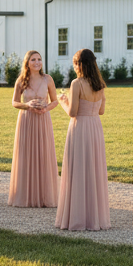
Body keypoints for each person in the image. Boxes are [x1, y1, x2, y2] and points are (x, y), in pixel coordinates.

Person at [55, 49, 110, 231]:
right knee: (93, 169)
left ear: (79, 64)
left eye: (74, 63)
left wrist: (63, 100)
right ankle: (94, 217)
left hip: (80, 128)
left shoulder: (77, 83)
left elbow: (73, 112)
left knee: (78, 169)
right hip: (95, 127)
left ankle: (78, 218)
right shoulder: (100, 84)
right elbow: (101, 111)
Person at [8, 50, 58, 208]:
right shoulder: (21, 80)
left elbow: (55, 101)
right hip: (27, 120)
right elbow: (14, 102)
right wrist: (27, 106)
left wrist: (46, 108)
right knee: (27, 155)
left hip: (43, 120)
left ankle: (44, 196)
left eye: (39, 59)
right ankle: (26, 196)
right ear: (27, 63)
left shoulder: (47, 79)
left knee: (43, 154)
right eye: (33, 60)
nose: (37, 62)